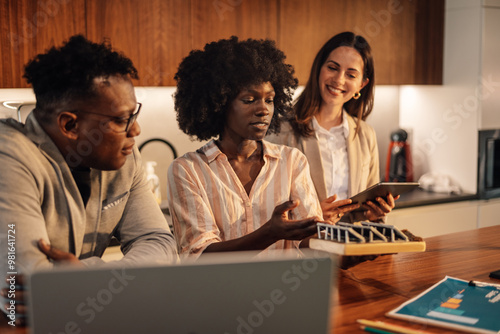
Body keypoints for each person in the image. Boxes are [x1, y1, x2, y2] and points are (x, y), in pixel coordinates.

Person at [0, 35, 178, 324]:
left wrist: (87, 281)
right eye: (122, 120)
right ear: (69, 124)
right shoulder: (8, 156)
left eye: (133, 115)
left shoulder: (123, 157)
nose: (136, 130)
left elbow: (158, 242)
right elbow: (25, 282)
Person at [167, 36, 359, 257]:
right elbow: (199, 255)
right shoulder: (187, 170)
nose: (263, 110)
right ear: (219, 104)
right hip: (222, 292)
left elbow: (308, 241)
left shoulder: (292, 161)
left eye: (269, 100)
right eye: (249, 100)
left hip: (287, 290)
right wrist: (270, 232)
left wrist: (350, 248)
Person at [267, 32, 398, 223]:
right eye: (332, 68)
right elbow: (265, 208)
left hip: (351, 247)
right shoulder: (281, 129)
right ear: (319, 69)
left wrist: (373, 213)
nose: (338, 79)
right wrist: (312, 214)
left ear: (362, 84)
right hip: (305, 249)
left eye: (351, 74)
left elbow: (366, 208)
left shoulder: (365, 134)